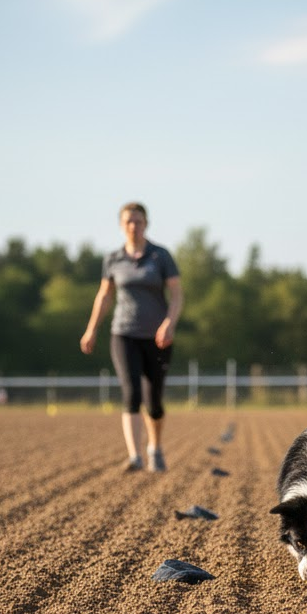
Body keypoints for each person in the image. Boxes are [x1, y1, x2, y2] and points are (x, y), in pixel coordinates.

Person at [80, 202, 183, 472]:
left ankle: (155, 448)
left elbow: (176, 295)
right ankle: (135, 456)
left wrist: (169, 324)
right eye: (128, 221)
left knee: (154, 402)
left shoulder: (160, 256)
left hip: (157, 337)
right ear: (121, 225)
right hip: (123, 333)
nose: (133, 226)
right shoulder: (113, 259)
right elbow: (104, 296)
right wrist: (92, 328)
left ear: (146, 224)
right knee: (131, 393)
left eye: (138, 221)